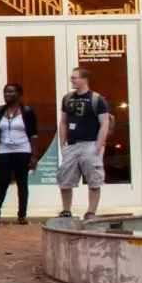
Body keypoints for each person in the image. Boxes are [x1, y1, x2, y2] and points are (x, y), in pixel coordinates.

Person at [58, 66, 110, 219]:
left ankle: (91, 212)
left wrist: (98, 146)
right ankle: (66, 210)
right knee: (65, 178)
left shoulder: (97, 99)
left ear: (84, 79)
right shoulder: (67, 98)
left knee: (94, 178)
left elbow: (105, 123)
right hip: (72, 144)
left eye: (74, 78)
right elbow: (63, 121)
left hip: (90, 144)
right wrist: (63, 144)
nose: (71, 80)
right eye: (71, 77)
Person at [0, 82, 38, 225]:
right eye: (5, 92)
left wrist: (34, 156)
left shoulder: (27, 111)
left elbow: (33, 135)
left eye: (11, 92)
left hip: (23, 150)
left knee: (22, 183)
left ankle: (22, 214)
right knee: (2, 183)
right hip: (4, 151)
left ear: (19, 94)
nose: (7, 95)